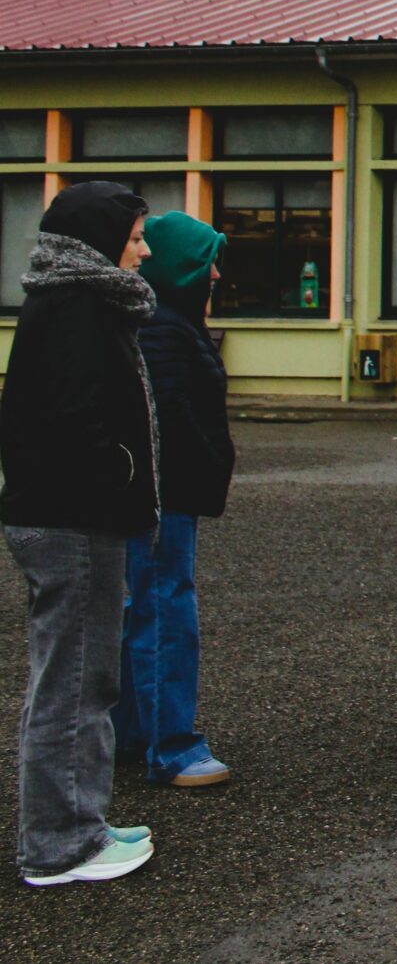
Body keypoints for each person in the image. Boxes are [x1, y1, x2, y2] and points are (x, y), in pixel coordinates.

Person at [2, 182, 161, 880]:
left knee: (74, 676)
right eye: (134, 236)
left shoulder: (64, 299)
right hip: (75, 518)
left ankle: (76, 821)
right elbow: (74, 416)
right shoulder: (78, 306)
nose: (144, 249)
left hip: (62, 512)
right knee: (75, 680)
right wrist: (119, 475)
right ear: (101, 240)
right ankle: (62, 843)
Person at [116, 209, 236, 789]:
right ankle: (172, 746)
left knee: (146, 605)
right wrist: (206, 470)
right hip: (166, 498)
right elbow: (169, 418)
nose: (216, 275)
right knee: (165, 609)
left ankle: (134, 731)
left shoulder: (165, 322)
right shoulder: (165, 328)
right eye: (207, 262)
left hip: (163, 494)